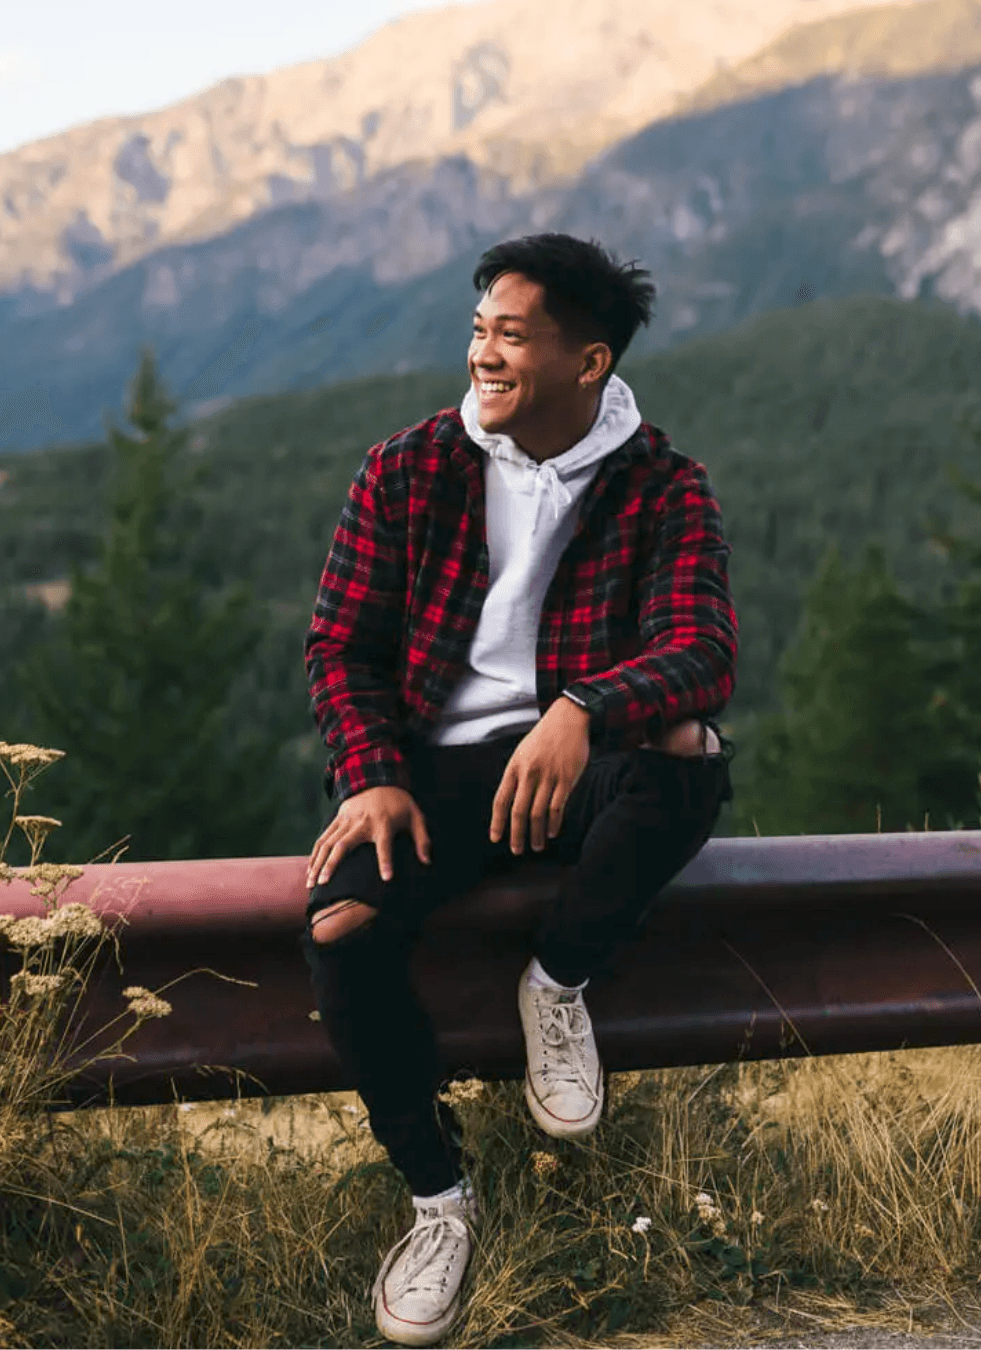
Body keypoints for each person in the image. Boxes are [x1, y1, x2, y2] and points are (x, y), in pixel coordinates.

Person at [302, 232, 737, 1346]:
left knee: (686, 745)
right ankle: (439, 1204)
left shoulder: (660, 484)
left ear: (585, 361)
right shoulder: (404, 466)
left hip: (573, 760)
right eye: (477, 328)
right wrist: (375, 775)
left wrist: (582, 707)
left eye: (509, 333)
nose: (481, 353)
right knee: (343, 918)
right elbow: (340, 647)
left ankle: (556, 982)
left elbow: (701, 649)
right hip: (432, 777)